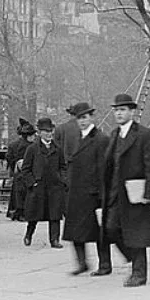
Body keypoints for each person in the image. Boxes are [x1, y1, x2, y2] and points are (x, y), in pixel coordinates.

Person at [102, 93, 150, 288]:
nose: (118, 114)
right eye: (116, 110)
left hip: (136, 194)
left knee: (137, 235)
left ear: (131, 112)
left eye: (122, 110)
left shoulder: (143, 134)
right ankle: (130, 256)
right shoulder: (114, 134)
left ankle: (139, 274)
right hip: (115, 193)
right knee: (110, 228)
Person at [61, 102, 112, 276]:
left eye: (84, 117)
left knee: (99, 231)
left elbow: (103, 169)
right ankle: (82, 263)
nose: (82, 121)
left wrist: (101, 196)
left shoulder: (101, 139)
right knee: (74, 230)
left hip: (93, 194)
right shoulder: (76, 138)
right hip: (76, 193)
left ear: (91, 117)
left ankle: (104, 264)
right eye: (79, 118)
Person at [23, 117, 65, 248]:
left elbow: (63, 167)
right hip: (38, 187)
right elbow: (25, 169)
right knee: (34, 215)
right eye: (46, 131)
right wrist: (32, 183)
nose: (49, 134)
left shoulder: (58, 149)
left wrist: (62, 180)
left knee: (55, 215)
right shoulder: (32, 149)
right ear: (39, 133)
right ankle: (29, 235)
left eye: (50, 131)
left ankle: (54, 239)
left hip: (54, 187)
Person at [6, 118, 36, 221]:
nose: (34, 137)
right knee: (22, 194)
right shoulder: (28, 146)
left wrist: (13, 166)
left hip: (18, 173)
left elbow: (9, 157)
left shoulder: (16, 144)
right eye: (33, 135)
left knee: (17, 194)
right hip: (24, 173)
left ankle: (15, 212)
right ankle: (21, 213)